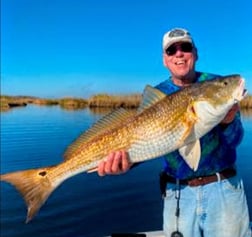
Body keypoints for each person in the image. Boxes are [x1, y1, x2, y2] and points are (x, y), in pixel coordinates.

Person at [97, 28, 251, 237]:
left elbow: (235, 140)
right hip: (177, 194)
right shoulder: (158, 95)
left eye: (185, 47)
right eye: (172, 50)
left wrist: (228, 120)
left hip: (224, 189)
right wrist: (125, 165)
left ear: (195, 53)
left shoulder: (215, 84)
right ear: (165, 59)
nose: (179, 53)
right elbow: (147, 141)